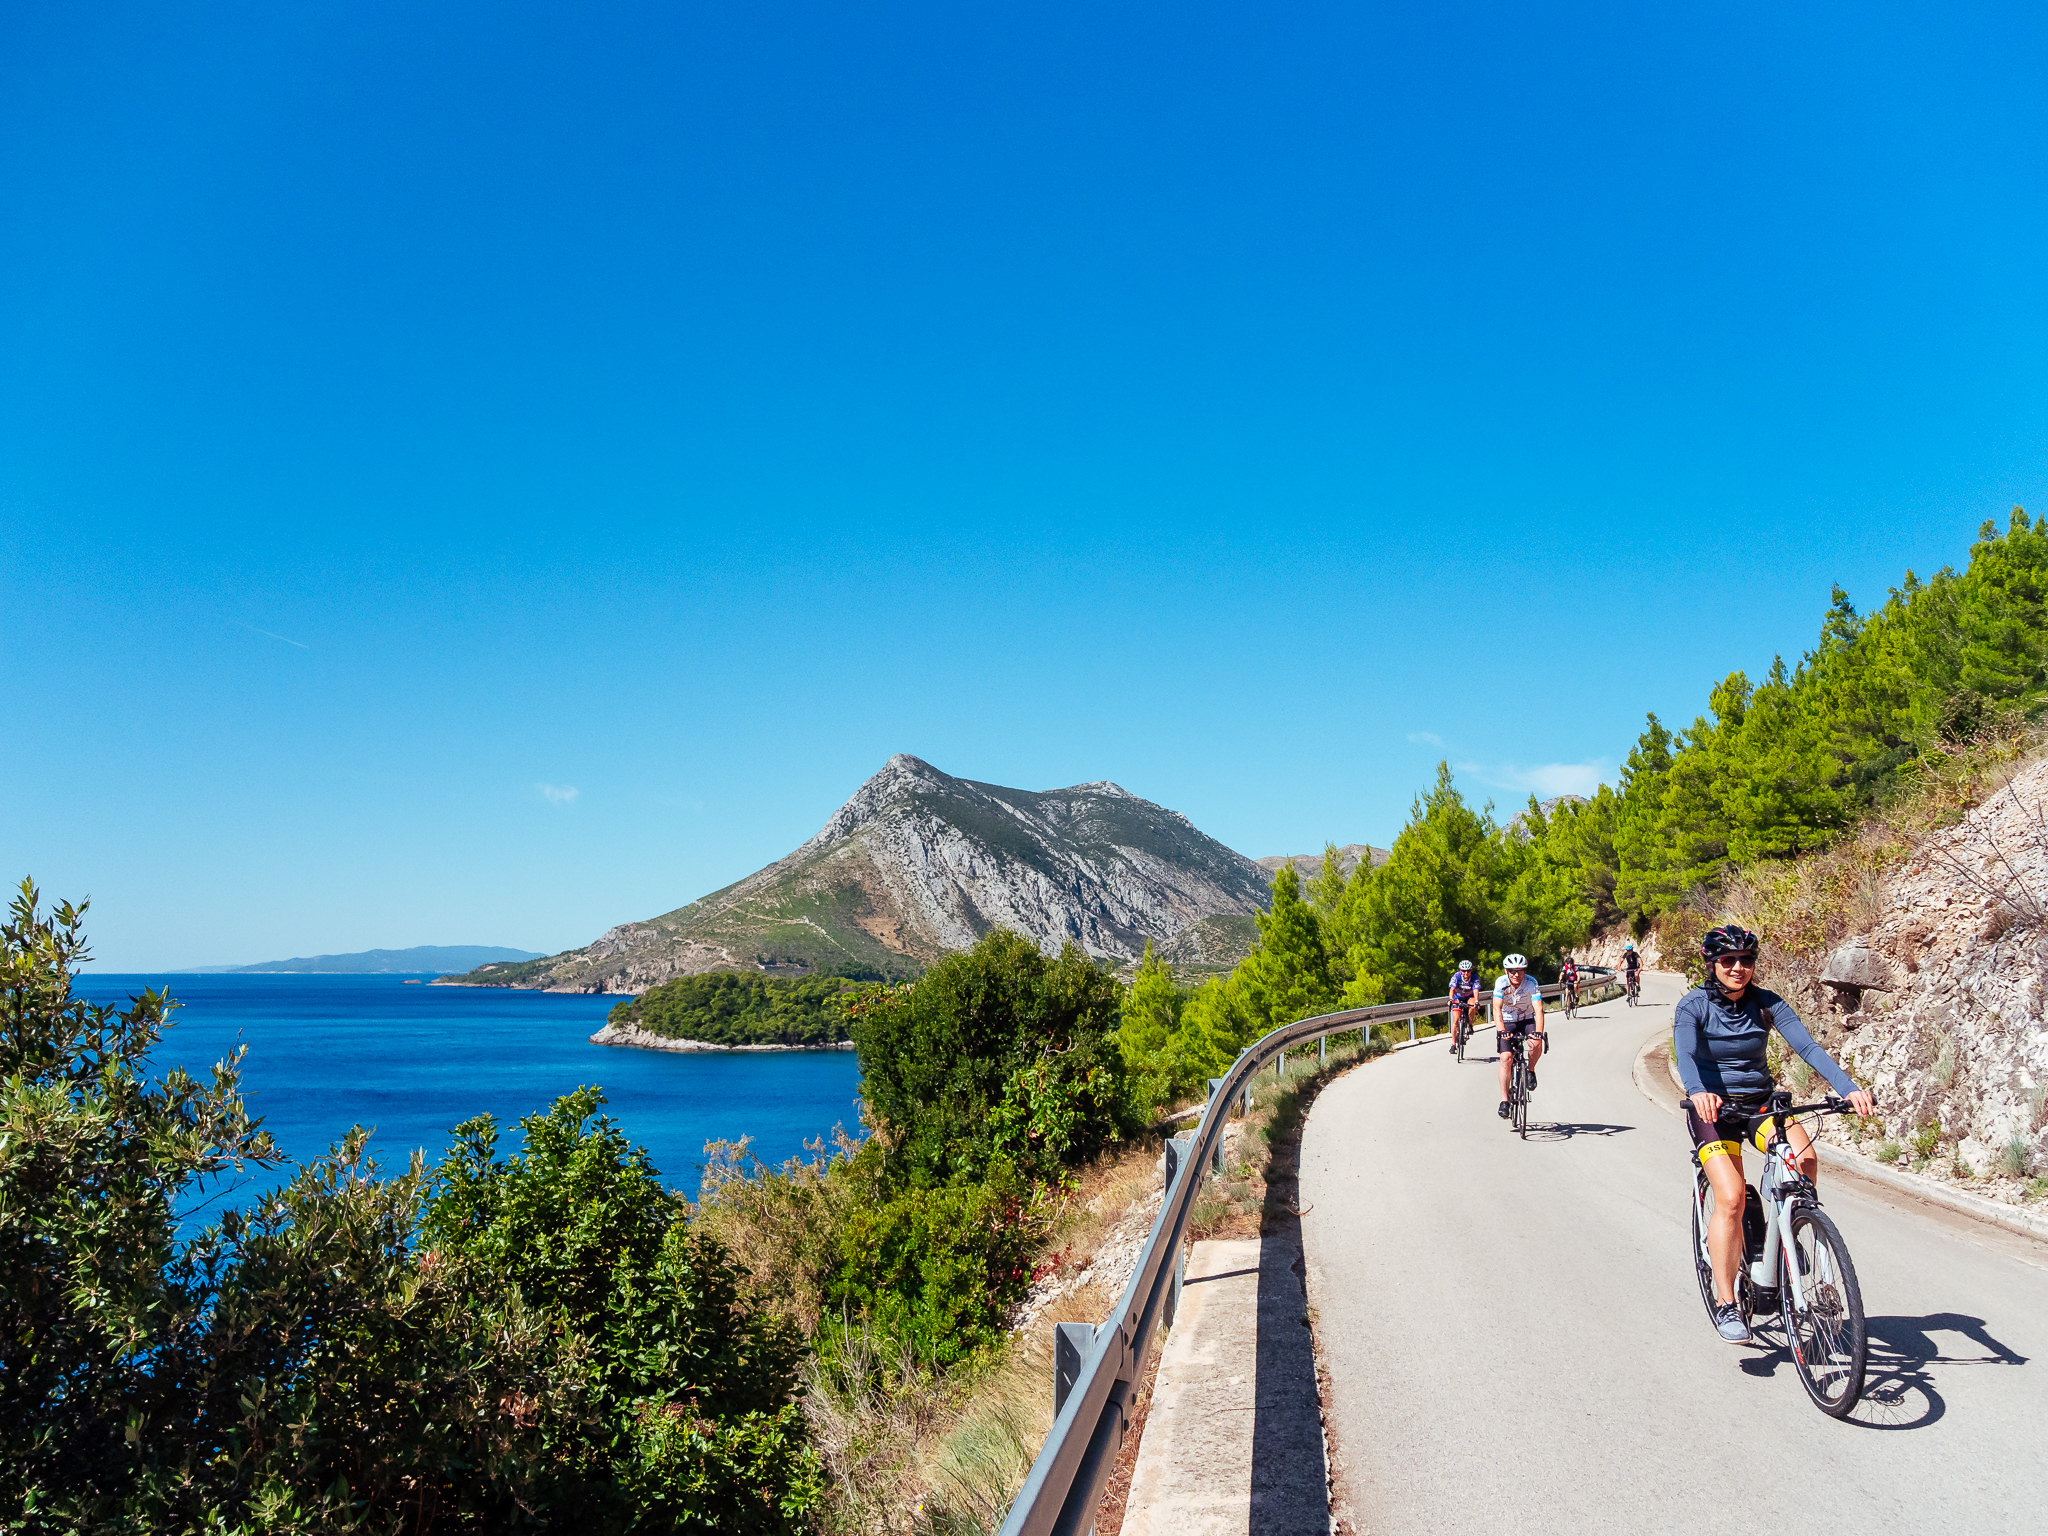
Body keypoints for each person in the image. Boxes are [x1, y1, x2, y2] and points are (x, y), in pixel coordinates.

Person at [1674, 924, 1875, 1344]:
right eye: (1728, 960)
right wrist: (1698, 1093)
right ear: (1712, 964)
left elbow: (1809, 1048)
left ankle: (1787, 1226)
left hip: (1760, 1105)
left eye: (1746, 961)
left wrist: (1848, 1087)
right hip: (1715, 1112)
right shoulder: (1693, 1005)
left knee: (1805, 1160)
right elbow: (1687, 1054)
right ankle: (1727, 1301)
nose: (1738, 968)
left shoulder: (1767, 1003)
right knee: (1729, 1198)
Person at [1493, 954, 1544, 1119]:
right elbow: (1496, 1009)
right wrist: (1501, 1030)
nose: (1517, 975)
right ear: (1506, 971)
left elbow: (1538, 1009)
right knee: (1506, 1058)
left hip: (1526, 1019)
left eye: (1520, 971)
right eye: (1513, 971)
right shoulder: (1501, 983)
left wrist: (1539, 1033)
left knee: (1536, 1044)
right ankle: (1504, 1101)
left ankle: (1530, 1070)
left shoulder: (1531, 983)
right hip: (1507, 1021)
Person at [1447, 960, 1480, 1053]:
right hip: (1458, 997)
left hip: (1469, 997)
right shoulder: (1456, 976)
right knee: (1456, 1020)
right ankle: (1453, 1044)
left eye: (1468, 971)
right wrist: (1450, 999)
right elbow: (1452, 989)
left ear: (1471, 970)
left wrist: (1477, 1001)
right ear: (1460, 971)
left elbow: (1476, 990)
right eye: (1463, 971)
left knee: (1472, 1005)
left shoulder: (1474, 977)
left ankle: (1470, 1024)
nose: (1466, 973)